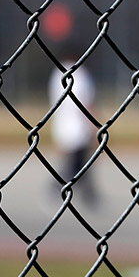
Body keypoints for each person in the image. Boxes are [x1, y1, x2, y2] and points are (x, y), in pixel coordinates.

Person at [48, 53, 98, 206]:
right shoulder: (80, 73)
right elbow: (86, 102)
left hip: (62, 123)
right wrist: (94, 124)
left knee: (81, 162)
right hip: (79, 126)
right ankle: (56, 188)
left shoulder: (57, 73)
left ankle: (89, 194)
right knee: (77, 164)